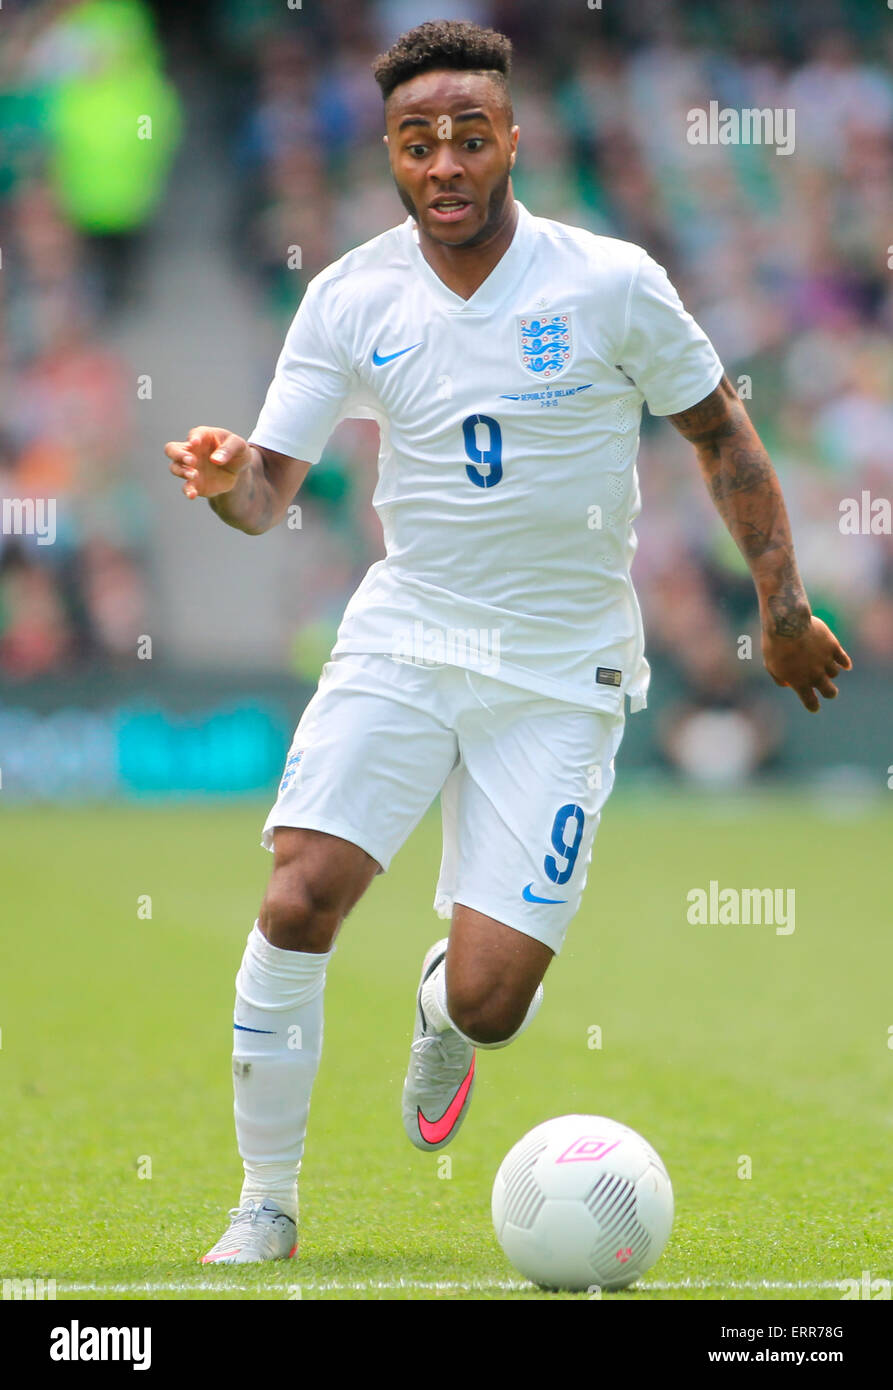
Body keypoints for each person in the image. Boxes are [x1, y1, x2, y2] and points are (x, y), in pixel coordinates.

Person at [164, 20, 851, 1265]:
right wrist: (225, 483)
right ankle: (262, 1204)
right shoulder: (350, 295)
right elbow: (267, 495)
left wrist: (781, 605)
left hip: (561, 666)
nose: (443, 163)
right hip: (406, 637)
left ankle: (438, 1007)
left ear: (512, 142)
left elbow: (719, 435)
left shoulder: (608, 283)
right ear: (388, 153)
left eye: (467, 137)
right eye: (417, 142)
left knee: (490, 1003)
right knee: (297, 896)